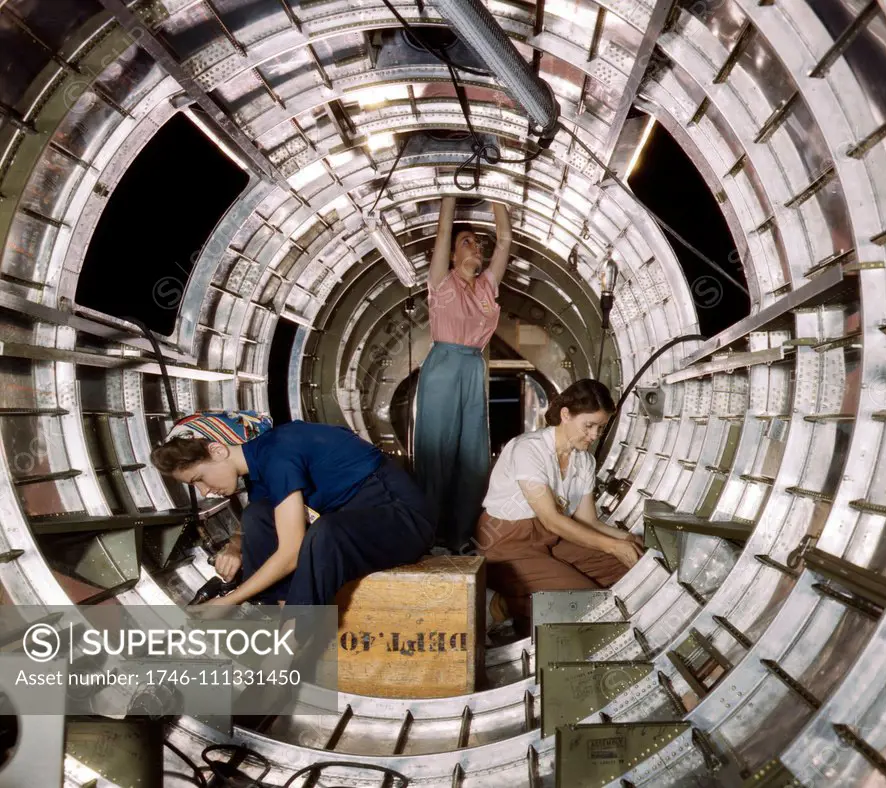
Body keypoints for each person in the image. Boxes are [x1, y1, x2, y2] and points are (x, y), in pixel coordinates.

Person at [150, 413, 435, 611]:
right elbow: (260, 520)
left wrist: (227, 601)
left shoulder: (279, 453)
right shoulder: (258, 463)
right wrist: (236, 547)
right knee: (257, 515)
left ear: (218, 450)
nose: (204, 491)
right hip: (354, 523)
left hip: (402, 520)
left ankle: (291, 647)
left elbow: (291, 552)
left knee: (326, 533)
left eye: (199, 479)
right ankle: (284, 615)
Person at [473, 379, 645, 636]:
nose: (595, 435)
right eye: (589, 426)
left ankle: (524, 598)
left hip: (550, 541)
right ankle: (501, 604)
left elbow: (588, 522)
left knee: (628, 565)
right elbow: (552, 519)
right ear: (565, 415)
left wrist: (629, 540)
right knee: (584, 601)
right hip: (506, 544)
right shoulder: (528, 449)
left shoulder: (583, 460)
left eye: (601, 427)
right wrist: (613, 545)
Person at [415, 196, 512, 553]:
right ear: (453, 256)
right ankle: (428, 533)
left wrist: (498, 193)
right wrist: (451, 193)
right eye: (466, 242)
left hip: (473, 366)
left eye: (477, 242)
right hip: (443, 365)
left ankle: (461, 535)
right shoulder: (442, 281)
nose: (476, 247)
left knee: (473, 454)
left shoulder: (487, 287)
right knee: (435, 451)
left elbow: (503, 240)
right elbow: (443, 230)